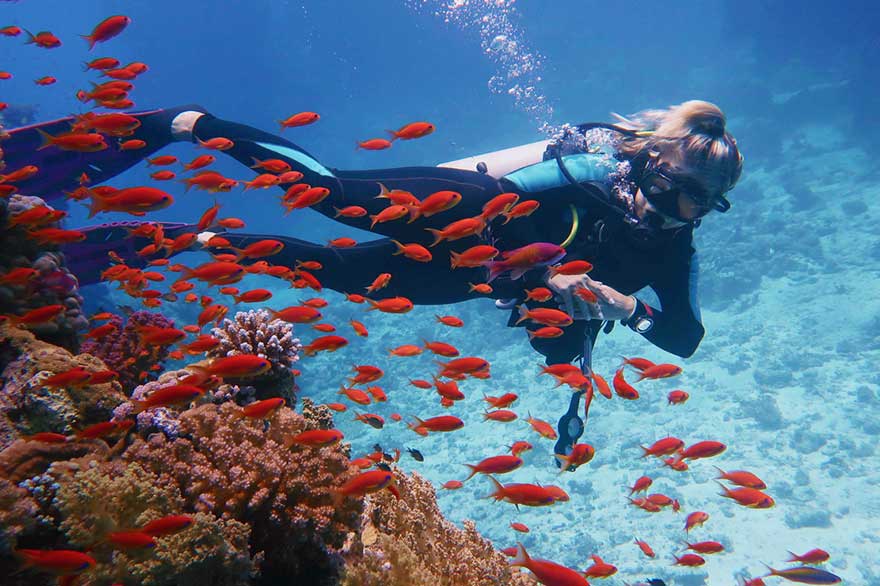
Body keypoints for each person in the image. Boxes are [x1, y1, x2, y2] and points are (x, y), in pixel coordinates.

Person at [2, 100, 743, 459]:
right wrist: (548, 273)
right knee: (329, 191)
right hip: (466, 212)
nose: (690, 213)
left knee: (330, 273)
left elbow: (683, 336)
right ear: (651, 164)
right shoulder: (590, 174)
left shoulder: (674, 253)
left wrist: (622, 309)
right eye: (684, 191)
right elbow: (513, 199)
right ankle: (182, 123)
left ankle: (178, 238)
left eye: (707, 203)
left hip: (468, 276)